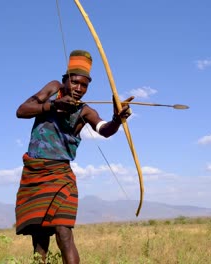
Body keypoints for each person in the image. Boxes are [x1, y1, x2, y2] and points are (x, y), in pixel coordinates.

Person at [15, 50, 133, 264]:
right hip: (34, 173)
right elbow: (22, 110)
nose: (79, 88)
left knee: (64, 233)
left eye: (84, 85)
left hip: (61, 176)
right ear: (64, 80)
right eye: (75, 82)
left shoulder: (85, 111)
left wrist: (117, 119)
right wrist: (52, 105)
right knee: (39, 239)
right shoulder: (53, 90)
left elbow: (104, 128)